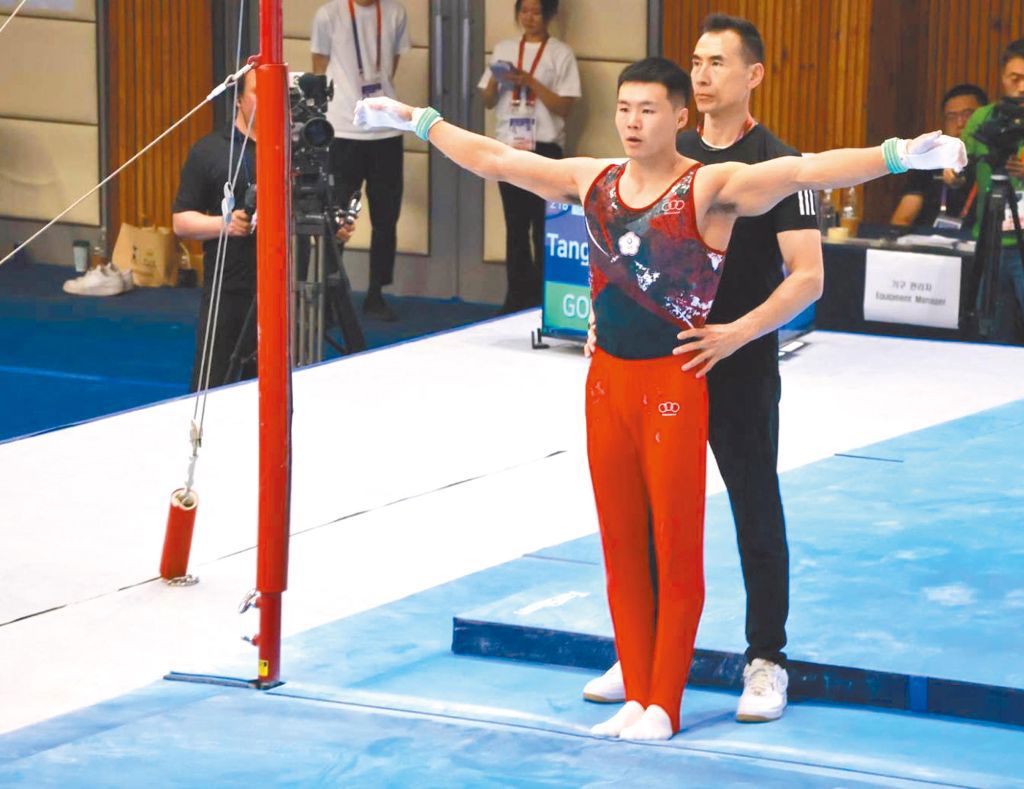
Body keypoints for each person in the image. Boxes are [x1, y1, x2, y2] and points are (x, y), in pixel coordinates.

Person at [354, 59, 965, 740]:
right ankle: (637, 691)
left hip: (673, 383)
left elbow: (805, 171)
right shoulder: (593, 179)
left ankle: (665, 703)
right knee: (622, 546)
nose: (633, 122)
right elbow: (496, 159)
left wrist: (899, 154)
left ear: (679, 117)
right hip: (606, 383)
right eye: (624, 109)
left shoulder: (709, 187)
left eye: (648, 110)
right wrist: (417, 119)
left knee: (676, 550)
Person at [581, 13, 823, 725]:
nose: (703, 74)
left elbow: (808, 276)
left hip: (738, 362)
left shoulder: (778, 161)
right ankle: (647, 655)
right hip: (660, 365)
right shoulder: (667, 150)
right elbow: (618, 242)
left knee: (754, 502)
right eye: (695, 62)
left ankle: (766, 658)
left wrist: (736, 334)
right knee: (650, 515)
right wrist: (603, 312)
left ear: (754, 75)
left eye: (718, 62)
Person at [173, 70, 355, 390]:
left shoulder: (304, 149)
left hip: (293, 287)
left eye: (278, 92)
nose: (271, 99)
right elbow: (181, 222)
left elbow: (329, 203)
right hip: (232, 288)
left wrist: (336, 225)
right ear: (239, 100)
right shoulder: (210, 151)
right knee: (214, 383)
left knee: (286, 384)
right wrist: (224, 224)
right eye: (260, 91)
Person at [478, 0, 580, 314]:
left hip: (545, 149)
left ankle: (544, 300)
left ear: (548, 15)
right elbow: (487, 100)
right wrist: (496, 80)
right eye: (524, 11)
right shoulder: (504, 48)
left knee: (544, 227)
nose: (529, 18)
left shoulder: (560, 53)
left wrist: (532, 82)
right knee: (515, 226)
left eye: (536, 12)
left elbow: (564, 106)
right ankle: (516, 297)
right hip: (510, 148)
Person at [311, 0, 410, 322]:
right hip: (342, 130)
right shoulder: (329, 14)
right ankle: (329, 297)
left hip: (386, 131)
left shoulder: (395, 13)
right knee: (336, 216)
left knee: (386, 218)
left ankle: (376, 293)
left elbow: (391, 65)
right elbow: (319, 67)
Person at [962, 38, 1024, 345]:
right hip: (990, 242)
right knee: (994, 335)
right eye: (1015, 78)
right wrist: (952, 174)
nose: (1022, 87)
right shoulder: (983, 118)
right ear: (1002, 78)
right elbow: (962, 163)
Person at [890, 83, 987, 227]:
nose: (960, 123)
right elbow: (902, 219)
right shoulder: (927, 161)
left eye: (968, 115)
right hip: (929, 239)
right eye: (951, 117)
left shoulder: (994, 161)